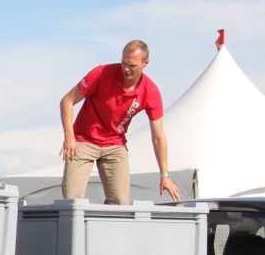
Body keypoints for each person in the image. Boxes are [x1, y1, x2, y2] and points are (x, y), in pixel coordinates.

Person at [59, 40, 181, 204]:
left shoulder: (150, 91)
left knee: (120, 203)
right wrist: (69, 137)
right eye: (124, 63)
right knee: (72, 199)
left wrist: (164, 175)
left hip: (115, 144)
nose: (126, 69)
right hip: (83, 139)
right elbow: (67, 101)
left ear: (145, 63)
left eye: (132, 65)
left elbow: (158, 136)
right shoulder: (101, 73)